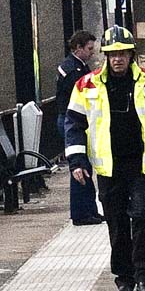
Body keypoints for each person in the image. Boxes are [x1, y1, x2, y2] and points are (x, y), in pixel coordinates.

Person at [65, 25, 145, 291]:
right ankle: (123, 281)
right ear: (105, 56)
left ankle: (144, 279)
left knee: (141, 218)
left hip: (141, 164)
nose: (117, 59)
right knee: (116, 223)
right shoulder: (85, 85)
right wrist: (77, 162)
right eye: (112, 54)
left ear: (131, 55)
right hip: (108, 168)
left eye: (123, 54)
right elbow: (73, 124)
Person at [55, 30, 101, 226]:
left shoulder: (72, 65)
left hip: (66, 119)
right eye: (89, 49)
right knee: (79, 166)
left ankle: (89, 209)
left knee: (83, 165)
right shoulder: (76, 71)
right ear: (78, 48)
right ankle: (82, 213)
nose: (92, 53)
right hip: (72, 120)